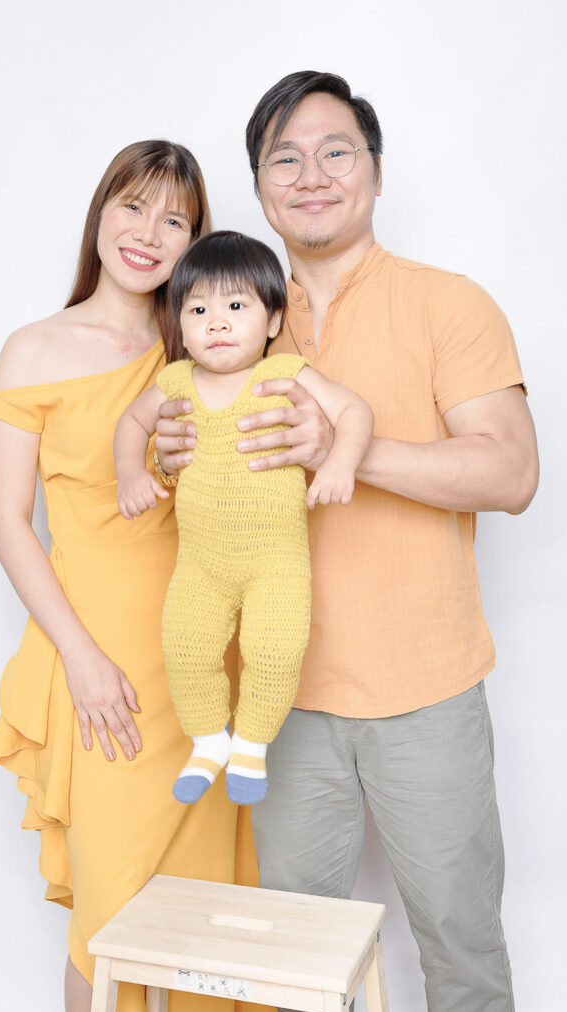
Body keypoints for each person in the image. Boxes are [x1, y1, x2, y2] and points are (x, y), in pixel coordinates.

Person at [155, 72, 540, 1012]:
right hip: (279, 706)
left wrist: (347, 453)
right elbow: (192, 487)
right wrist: (164, 455)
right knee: (298, 966)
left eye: (337, 151)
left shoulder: (447, 304)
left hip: (426, 690)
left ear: (374, 170)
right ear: (258, 183)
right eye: (284, 157)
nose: (311, 173)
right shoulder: (222, 311)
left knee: (459, 941)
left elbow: (510, 476)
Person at [0, 141, 275, 1012]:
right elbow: (4, 521)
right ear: (100, 214)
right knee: (110, 918)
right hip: (96, 662)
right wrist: (79, 657)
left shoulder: (202, 340)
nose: (149, 233)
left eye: (174, 218)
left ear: (196, 238)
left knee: (206, 911)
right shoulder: (33, 347)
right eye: (133, 206)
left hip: (197, 659)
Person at [113, 230, 373, 806]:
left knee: (276, 650)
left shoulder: (283, 375)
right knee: (185, 648)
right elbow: (132, 425)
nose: (217, 323)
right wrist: (132, 473)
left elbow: (354, 410)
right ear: (179, 324)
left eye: (236, 307)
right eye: (199, 309)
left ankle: (251, 745)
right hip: (201, 563)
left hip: (275, 563)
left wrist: (340, 465)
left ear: (274, 319)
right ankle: (209, 742)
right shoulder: (176, 382)